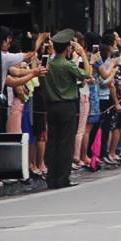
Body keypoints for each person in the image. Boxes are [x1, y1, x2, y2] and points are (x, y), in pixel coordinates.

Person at [42, 29, 91, 189]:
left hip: (51, 105)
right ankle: (62, 178)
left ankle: (51, 177)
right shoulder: (67, 64)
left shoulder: (48, 64)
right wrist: (82, 53)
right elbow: (86, 74)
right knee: (65, 143)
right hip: (66, 106)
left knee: (53, 141)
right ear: (67, 48)